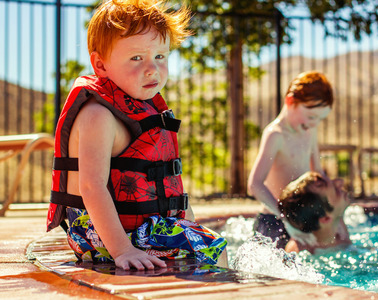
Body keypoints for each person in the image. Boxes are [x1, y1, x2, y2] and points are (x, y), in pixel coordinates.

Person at [46, 0, 227, 270]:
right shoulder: (99, 115)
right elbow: (91, 187)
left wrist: (189, 223)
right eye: (136, 58)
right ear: (101, 64)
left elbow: (170, 183)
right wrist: (122, 251)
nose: (152, 68)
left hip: (131, 229)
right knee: (212, 248)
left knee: (203, 238)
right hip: (102, 235)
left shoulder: (142, 111)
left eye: (160, 56)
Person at [247, 71, 334, 249]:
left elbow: (317, 172)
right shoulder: (275, 135)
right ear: (290, 102)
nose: (314, 124)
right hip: (274, 219)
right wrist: (284, 219)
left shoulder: (310, 131)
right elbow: (254, 184)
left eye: (320, 119)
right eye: (311, 117)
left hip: (303, 218)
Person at [279, 171, 351, 253]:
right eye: (335, 189)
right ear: (326, 219)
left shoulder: (338, 225)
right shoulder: (299, 251)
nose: (341, 182)